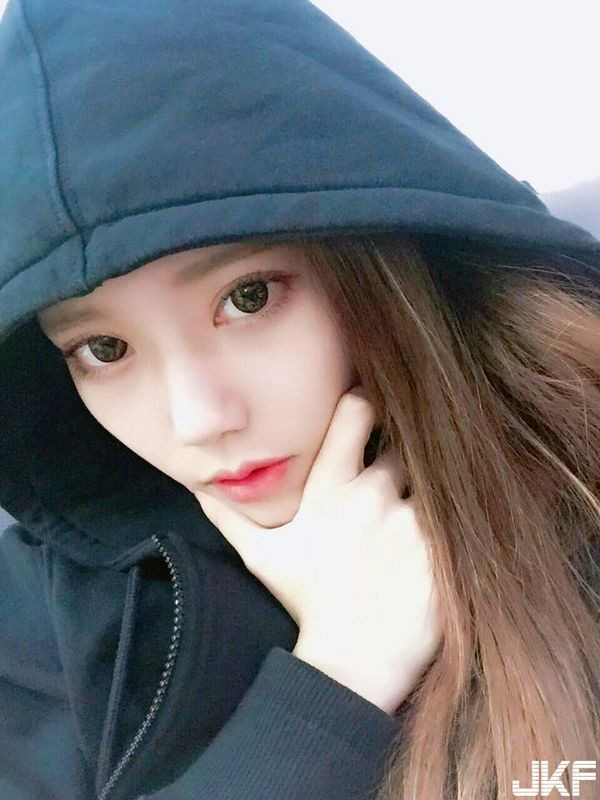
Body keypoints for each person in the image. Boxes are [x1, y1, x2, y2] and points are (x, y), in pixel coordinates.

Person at [0, 1, 598, 799]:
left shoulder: (579, 460)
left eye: (247, 297)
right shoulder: (37, 623)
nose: (198, 419)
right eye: (103, 350)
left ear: (371, 254)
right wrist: (338, 680)